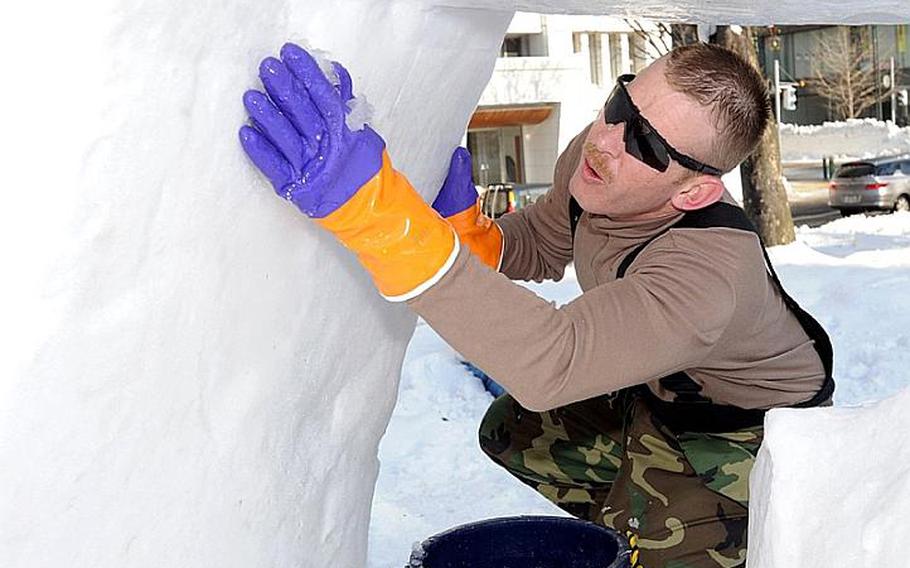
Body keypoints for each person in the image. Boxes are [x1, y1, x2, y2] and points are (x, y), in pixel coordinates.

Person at [239, 42, 833, 568]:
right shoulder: (598, 159)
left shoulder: (709, 277)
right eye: (623, 104)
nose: (607, 140)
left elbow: (554, 362)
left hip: (745, 429)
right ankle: (641, 509)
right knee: (513, 431)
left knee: (655, 544)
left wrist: (377, 218)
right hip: (660, 383)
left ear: (695, 191)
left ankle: (687, 531)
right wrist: (475, 237)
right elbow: (549, 238)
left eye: (647, 143)